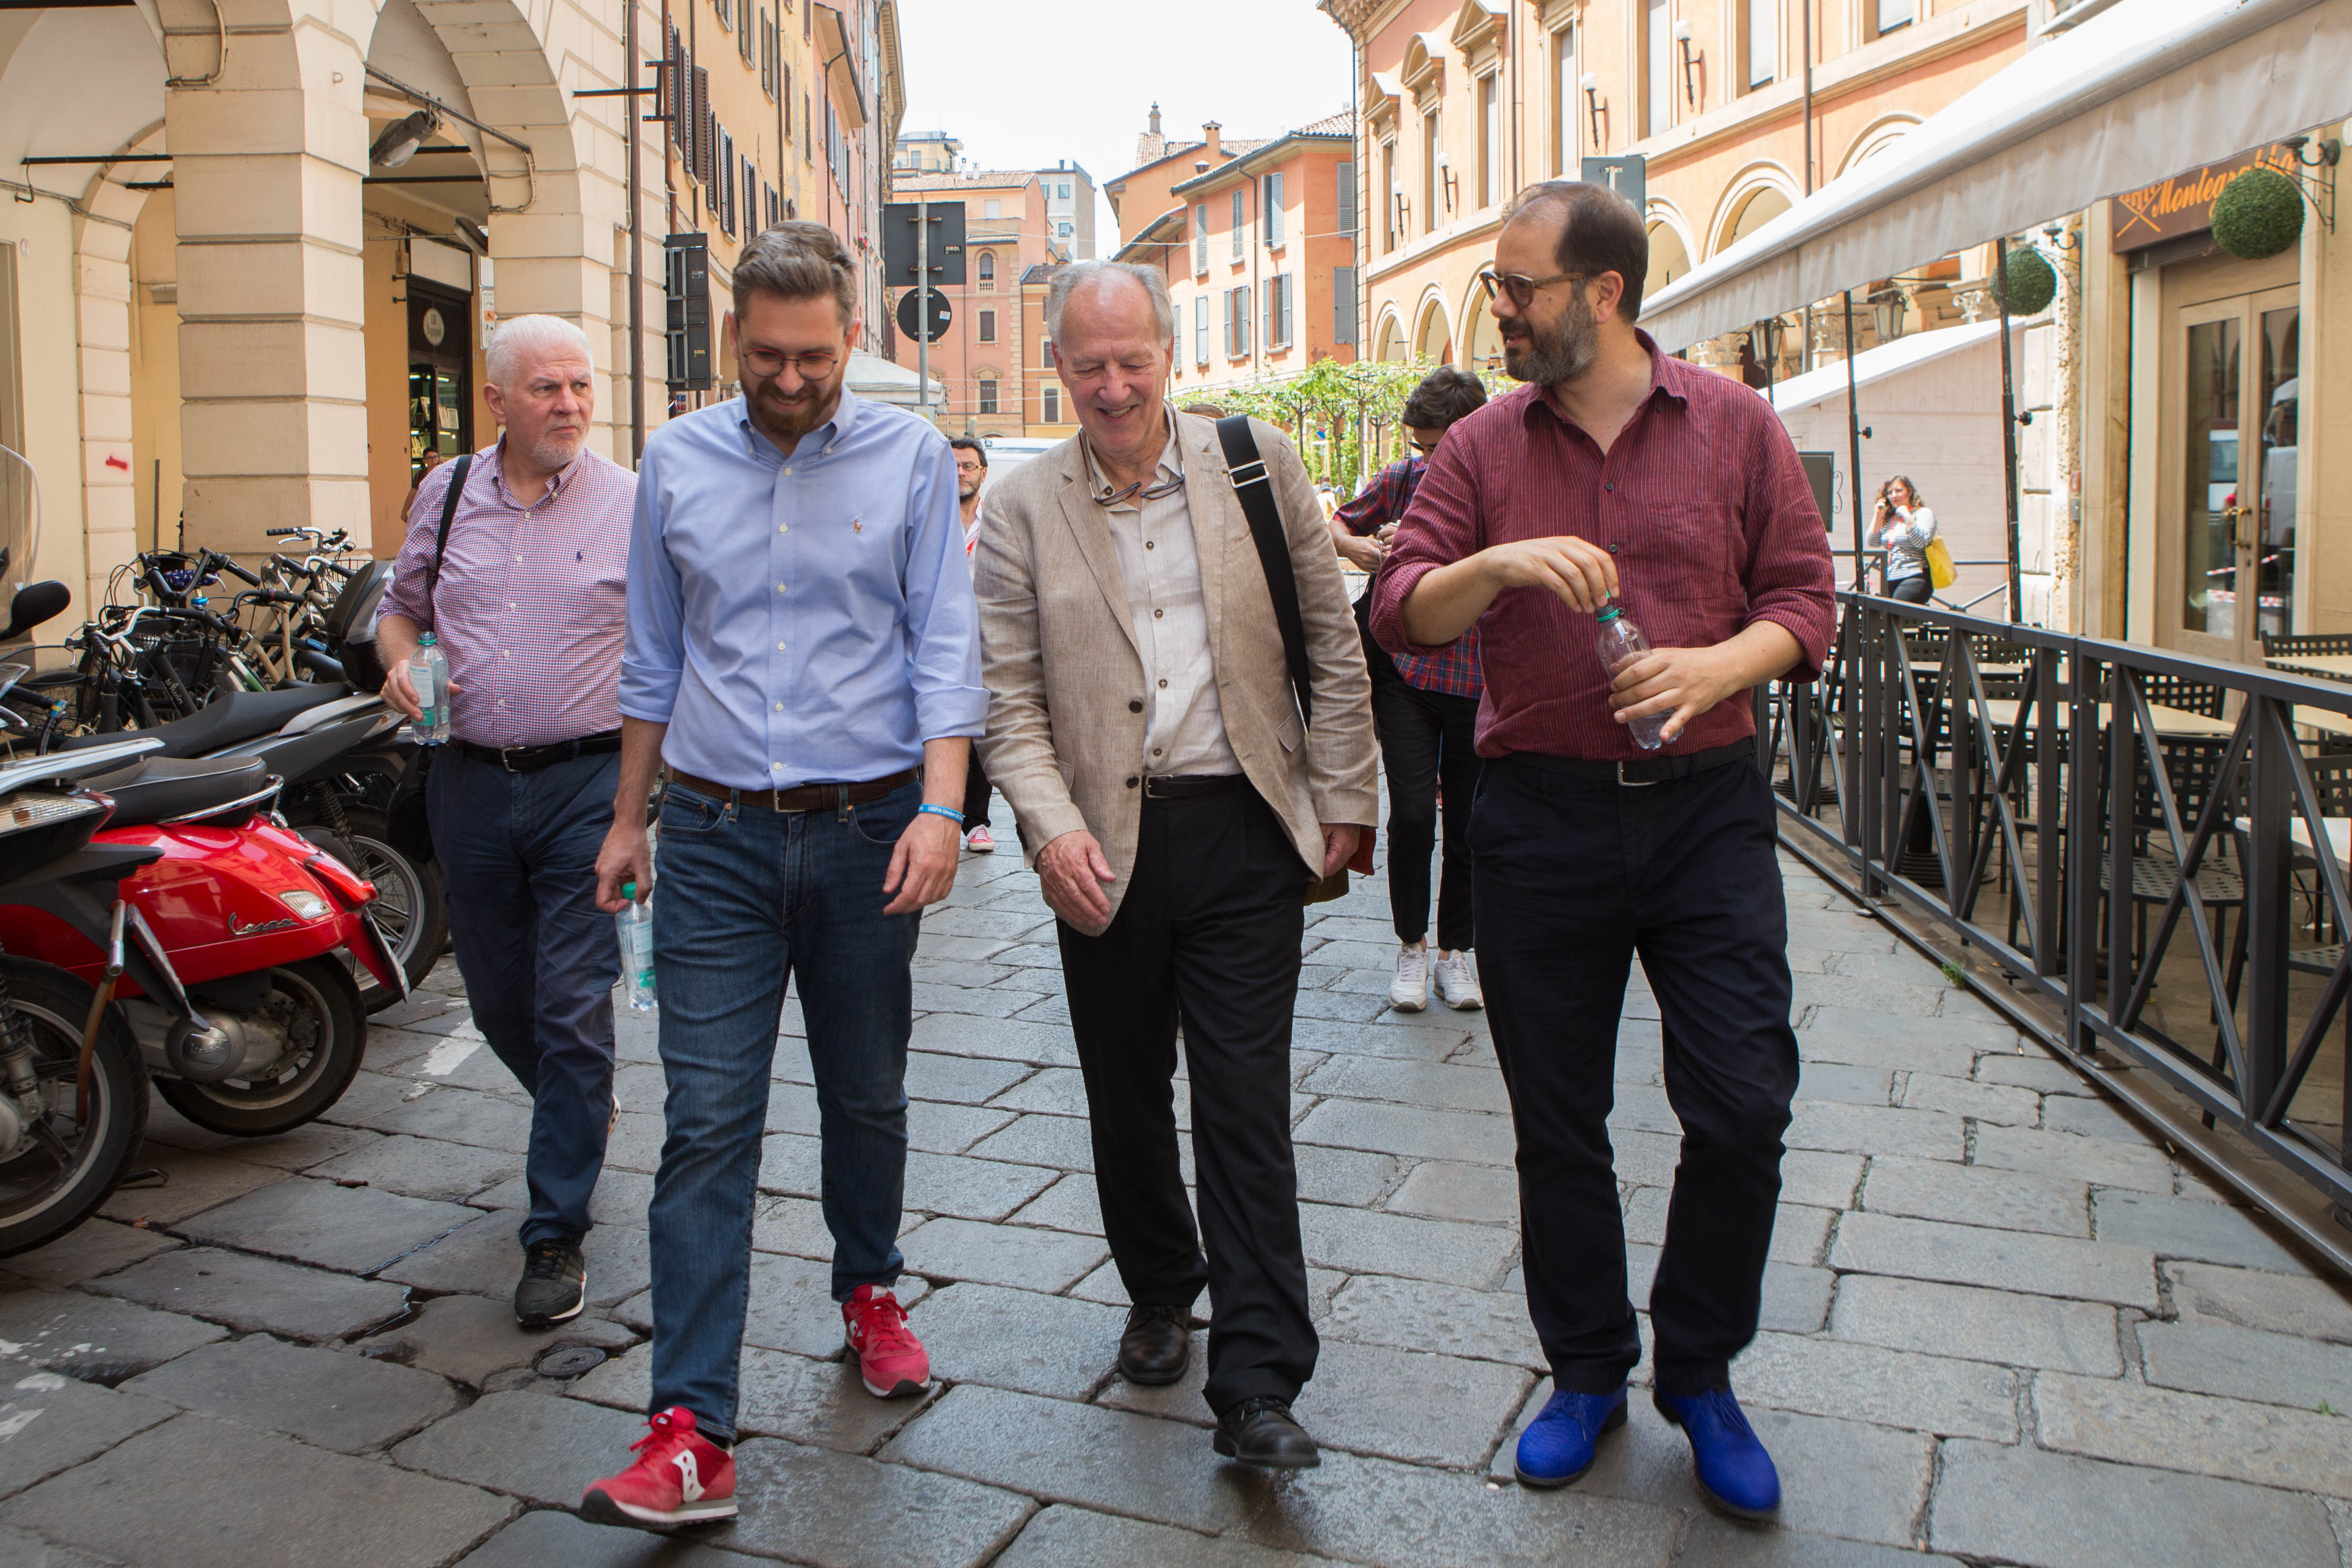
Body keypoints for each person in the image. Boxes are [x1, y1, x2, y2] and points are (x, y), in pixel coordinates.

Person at [1371, 181, 1834, 1519]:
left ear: (1605, 292)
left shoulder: (1737, 425)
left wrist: (1716, 665)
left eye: (1519, 287)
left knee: (1742, 1104)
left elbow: (1805, 600)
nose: (1498, 310)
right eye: (1497, 286)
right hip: (1540, 820)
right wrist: (1501, 567)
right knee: (1557, 1122)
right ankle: (1585, 1371)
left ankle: (1699, 1371)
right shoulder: (1481, 447)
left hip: (1705, 813)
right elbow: (1401, 608)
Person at [581, 222, 984, 1530]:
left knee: (865, 1092)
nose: (793, 378)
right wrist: (627, 822)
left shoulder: (910, 456)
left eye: (815, 355)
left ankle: (869, 1286)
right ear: (732, 337)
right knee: (706, 1121)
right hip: (711, 837)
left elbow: (942, 646)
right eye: (767, 355)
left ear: (852, 337)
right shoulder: (676, 460)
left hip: (872, 830)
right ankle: (691, 1428)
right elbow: (652, 656)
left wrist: (942, 809)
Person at [973, 260, 1378, 1469]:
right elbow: (1007, 696)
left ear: (1168, 356)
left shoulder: (1256, 463)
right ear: (1058, 366)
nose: (1112, 387)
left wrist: (1346, 792)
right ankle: (1159, 1284)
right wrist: (1049, 827)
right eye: (1089, 366)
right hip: (1102, 840)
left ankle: (1258, 1382)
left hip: (1242, 826)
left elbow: (1331, 640)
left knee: (1246, 1104)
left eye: (1132, 362)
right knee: (1125, 1087)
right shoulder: (1021, 505)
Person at [375, 315, 635, 1329]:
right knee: (495, 1003)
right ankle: (580, 1100)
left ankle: (554, 1232)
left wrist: (645, 802)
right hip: (468, 781)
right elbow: (401, 609)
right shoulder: (445, 494)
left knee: (571, 1006)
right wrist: (401, 660)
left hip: (588, 785)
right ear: (495, 401)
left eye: (580, 385)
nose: (570, 405)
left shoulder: (630, 501)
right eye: (545, 388)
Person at [1332, 366, 1489, 1014]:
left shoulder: (1505, 481)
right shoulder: (1404, 479)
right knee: (1415, 814)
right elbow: (1334, 525)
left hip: (1479, 678)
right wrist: (1364, 551)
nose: (1429, 459)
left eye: (1438, 446)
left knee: (1470, 826)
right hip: (1407, 674)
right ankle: (1412, 946)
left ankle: (1457, 952)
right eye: (1421, 446)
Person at [950, 436, 997, 853]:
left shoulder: (998, 519)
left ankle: (977, 822)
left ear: (983, 473)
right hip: (940, 635)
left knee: (980, 725)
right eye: (953, 466)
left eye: (968, 466)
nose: (960, 473)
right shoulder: (929, 517)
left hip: (985, 636)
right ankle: (935, 814)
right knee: (937, 723)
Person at [1868, 475, 1937, 604]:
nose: (1894, 496)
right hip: (1890, 578)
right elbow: (1873, 542)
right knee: (1879, 612)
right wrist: (1878, 515)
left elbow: (1921, 542)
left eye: (1899, 490)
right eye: (1890, 492)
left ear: (1910, 492)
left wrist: (1907, 515)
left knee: (1894, 611)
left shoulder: (1923, 513)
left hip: (1915, 576)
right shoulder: (1890, 519)